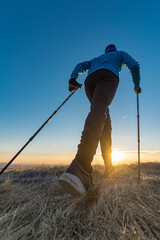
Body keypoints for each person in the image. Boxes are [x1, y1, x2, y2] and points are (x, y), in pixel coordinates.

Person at [59, 44, 141, 196]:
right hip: (108, 77)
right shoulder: (120, 54)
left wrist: (73, 79)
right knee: (99, 111)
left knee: (104, 121)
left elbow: (79, 65)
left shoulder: (97, 59)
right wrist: (137, 85)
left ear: (106, 52)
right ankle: (81, 165)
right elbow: (134, 65)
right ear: (114, 50)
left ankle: (109, 169)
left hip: (90, 81)